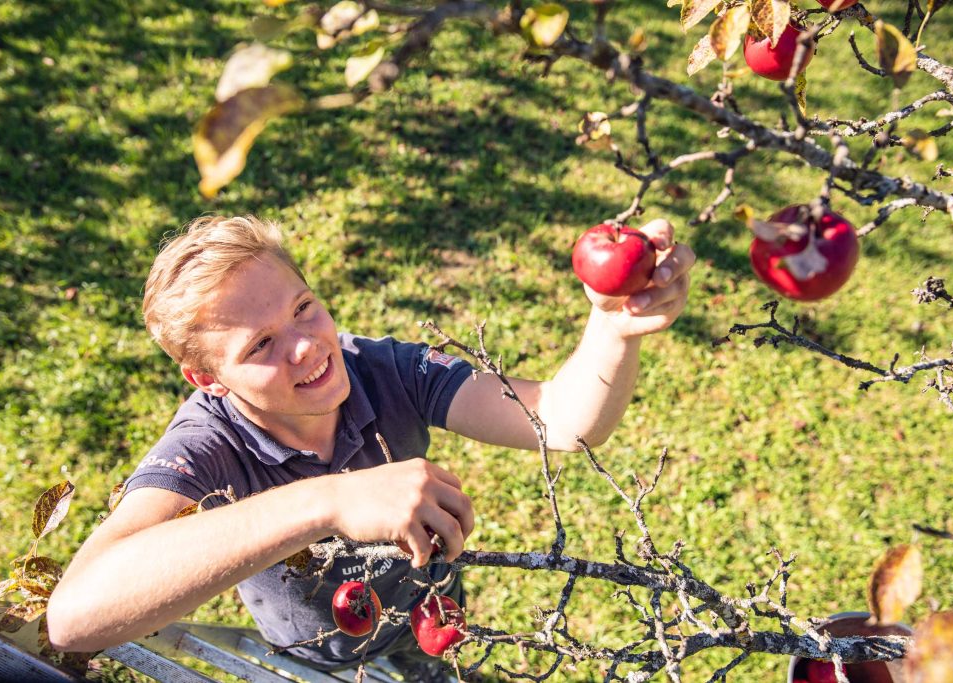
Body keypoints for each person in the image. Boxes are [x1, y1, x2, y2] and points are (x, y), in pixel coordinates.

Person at [47, 214, 695, 679]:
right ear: (208, 379)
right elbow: (76, 618)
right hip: (317, 652)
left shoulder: (385, 369)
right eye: (259, 345)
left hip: (427, 610)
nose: (306, 345)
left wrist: (613, 326)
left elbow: (557, 419)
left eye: (304, 307)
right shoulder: (206, 441)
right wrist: (330, 498)